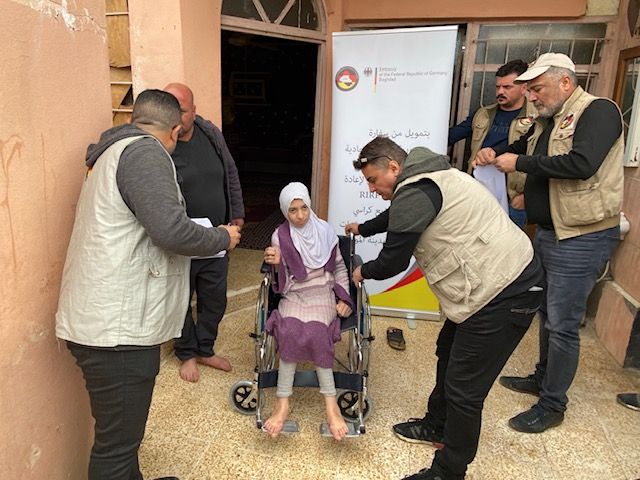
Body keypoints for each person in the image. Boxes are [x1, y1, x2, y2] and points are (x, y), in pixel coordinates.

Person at [55, 89, 241, 480]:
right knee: (116, 447)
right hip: (116, 331)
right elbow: (171, 231)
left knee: (123, 438)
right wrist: (222, 238)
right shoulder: (145, 153)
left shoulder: (116, 150)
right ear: (174, 130)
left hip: (109, 322)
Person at [346, 136, 544, 480]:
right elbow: (396, 214)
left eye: (373, 180)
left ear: (394, 167)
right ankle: (436, 425)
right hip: (488, 288)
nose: (372, 188)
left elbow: (392, 261)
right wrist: (363, 228)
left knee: (465, 389)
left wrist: (363, 272)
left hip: (506, 290)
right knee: (447, 350)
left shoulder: (415, 190)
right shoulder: (426, 177)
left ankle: (448, 472)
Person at [474, 52, 624, 433]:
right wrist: (500, 155)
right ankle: (542, 378)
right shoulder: (549, 120)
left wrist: (520, 165)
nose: (533, 97)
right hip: (552, 230)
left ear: (565, 82)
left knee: (562, 323)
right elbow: (531, 153)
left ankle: (553, 404)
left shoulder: (599, 112)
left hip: (582, 235)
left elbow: (581, 164)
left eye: (537, 89)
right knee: (546, 312)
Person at [163, 83, 245, 382]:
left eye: (181, 110)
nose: (176, 117)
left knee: (214, 298)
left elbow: (230, 172)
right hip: (180, 240)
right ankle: (186, 353)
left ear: (193, 112)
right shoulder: (159, 144)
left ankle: (205, 348)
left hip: (216, 238)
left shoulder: (210, 134)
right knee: (180, 298)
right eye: (170, 109)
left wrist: (236, 213)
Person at [262, 182, 353, 441]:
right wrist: (279, 264)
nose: (300, 215)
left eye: (304, 208)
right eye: (293, 210)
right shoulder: (280, 236)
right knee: (289, 331)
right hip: (294, 295)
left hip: (322, 295)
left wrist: (344, 297)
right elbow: (282, 284)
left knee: (315, 333)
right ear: (284, 211)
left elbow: (340, 269)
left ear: (310, 206)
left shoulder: (324, 231)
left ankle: (331, 405)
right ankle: (282, 404)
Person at [448, 59, 534, 227]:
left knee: (509, 248)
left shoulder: (536, 118)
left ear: (524, 88)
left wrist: (526, 196)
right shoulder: (483, 114)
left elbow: (543, 157)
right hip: (479, 192)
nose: (500, 91)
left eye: (507, 87)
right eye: (498, 87)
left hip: (513, 196)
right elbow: (452, 136)